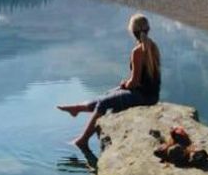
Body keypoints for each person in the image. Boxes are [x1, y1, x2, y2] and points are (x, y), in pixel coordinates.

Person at [57, 12, 162, 149]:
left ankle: (82, 140)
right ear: (148, 29)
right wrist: (127, 84)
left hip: (142, 96)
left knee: (104, 103)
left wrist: (126, 84)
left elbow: (135, 81)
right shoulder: (153, 46)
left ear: (132, 31)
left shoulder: (137, 51)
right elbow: (144, 79)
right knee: (108, 95)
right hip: (150, 95)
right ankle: (77, 108)